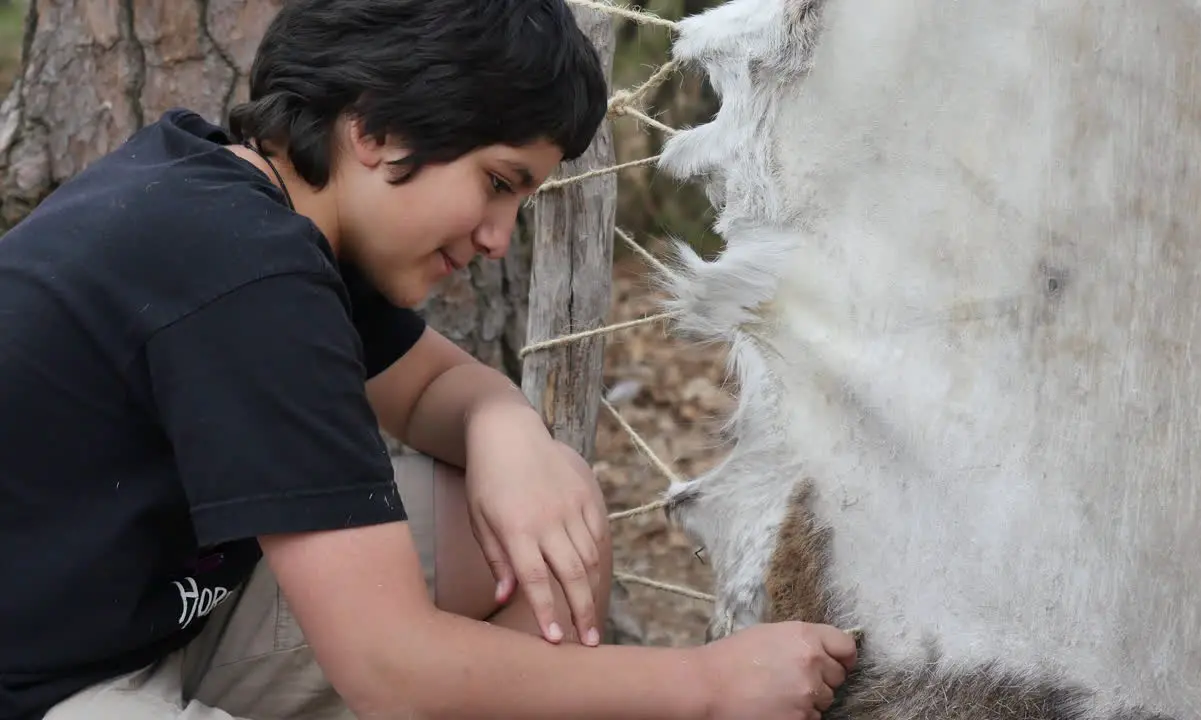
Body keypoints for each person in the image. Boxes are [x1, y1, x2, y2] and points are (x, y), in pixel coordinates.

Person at [0, 0, 858, 718]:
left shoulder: (260, 215)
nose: (496, 240)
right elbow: (389, 668)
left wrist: (509, 434)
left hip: (164, 619)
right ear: (375, 126)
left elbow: (439, 386)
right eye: (497, 183)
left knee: (530, 525)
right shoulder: (237, 269)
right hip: (47, 685)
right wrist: (706, 686)